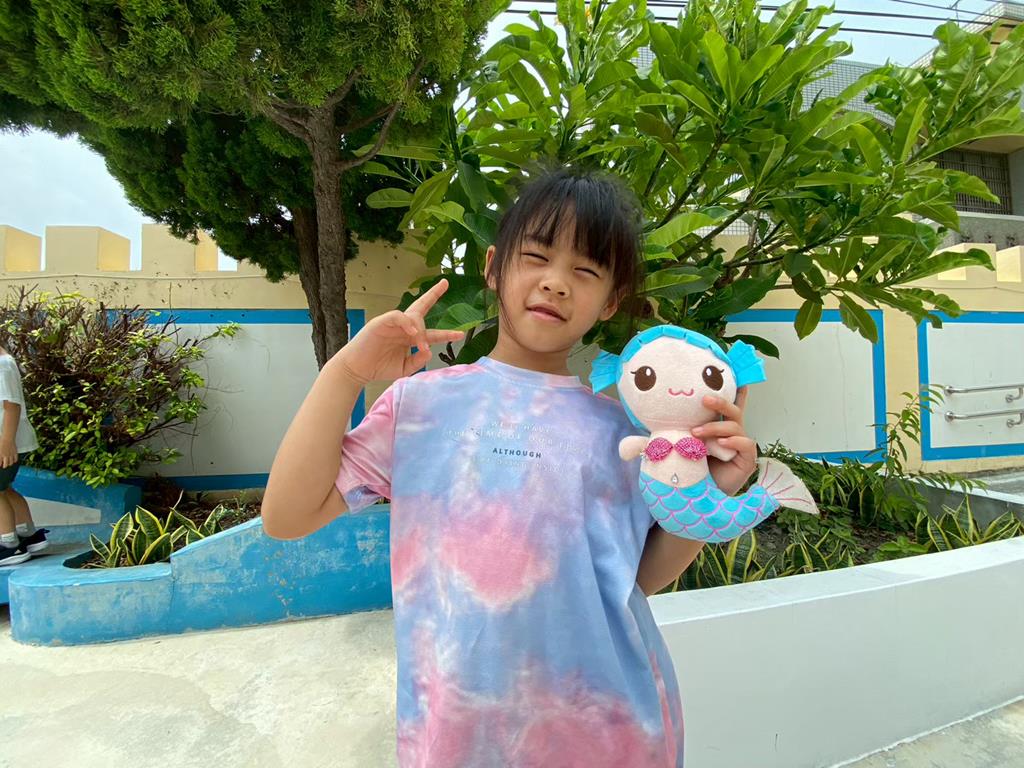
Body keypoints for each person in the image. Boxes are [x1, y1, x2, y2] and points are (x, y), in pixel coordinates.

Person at [262, 167, 757, 767]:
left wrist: (712, 491)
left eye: (586, 271)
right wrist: (345, 374)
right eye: (537, 257)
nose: (556, 283)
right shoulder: (421, 406)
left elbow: (636, 581)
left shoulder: (625, 435)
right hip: (459, 741)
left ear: (611, 301)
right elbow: (287, 516)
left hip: (611, 733)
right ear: (495, 267)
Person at [0, 345, 47, 567]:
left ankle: (8, 545)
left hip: (5, 443)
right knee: (5, 489)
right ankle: (28, 534)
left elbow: (12, 406)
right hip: (9, 442)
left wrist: (7, 442)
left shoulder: (2, 365)